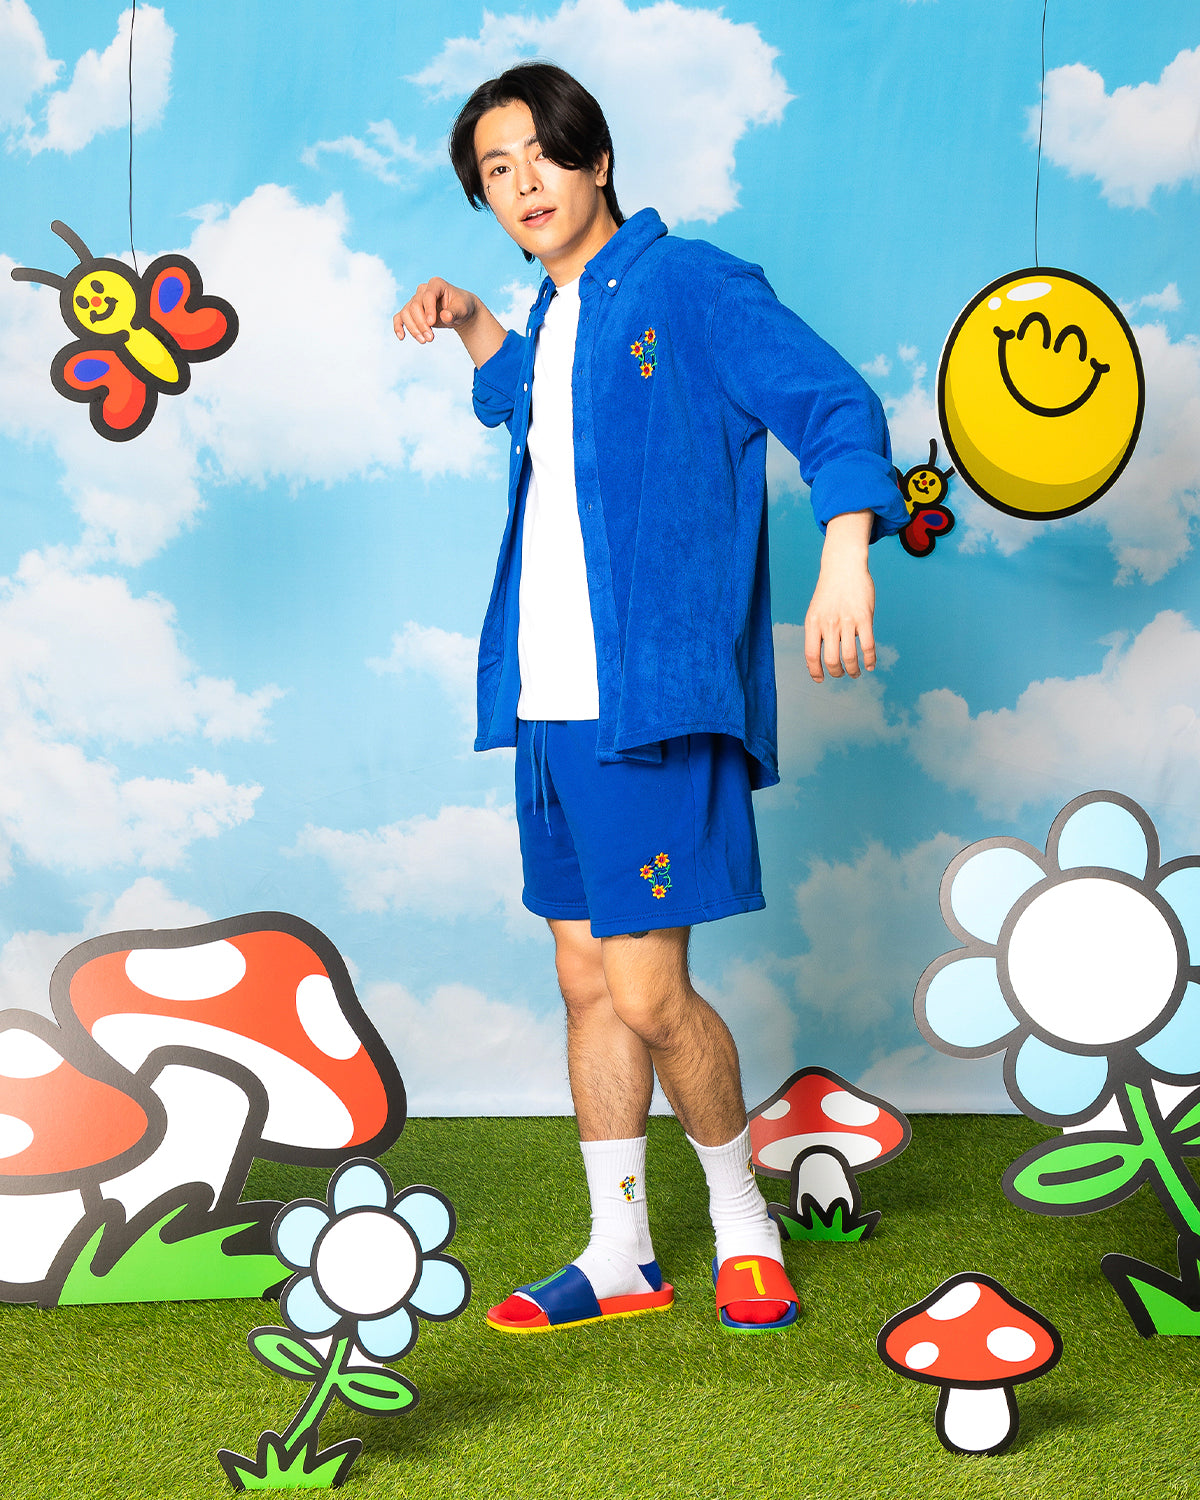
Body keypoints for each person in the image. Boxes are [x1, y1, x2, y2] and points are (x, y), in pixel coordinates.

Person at [394, 62, 907, 1335]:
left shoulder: (692, 286)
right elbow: (533, 403)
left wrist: (847, 554)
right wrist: (475, 324)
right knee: (584, 981)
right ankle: (619, 1250)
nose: (523, 186)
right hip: (548, 702)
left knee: (646, 994)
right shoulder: (558, 310)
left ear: (597, 158)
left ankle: (744, 1222)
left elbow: (835, 404)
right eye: (496, 172)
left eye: (540, 156)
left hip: (651, 701)